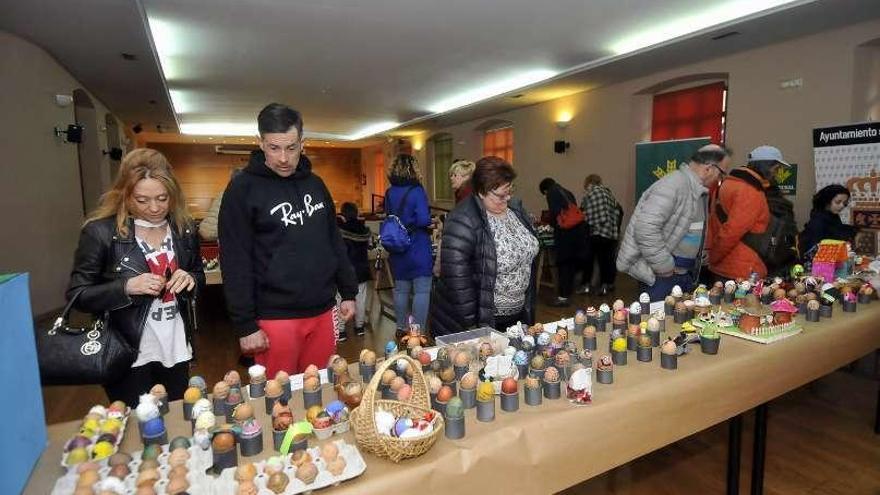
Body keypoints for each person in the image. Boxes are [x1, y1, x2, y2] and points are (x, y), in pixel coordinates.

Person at [218, 103, 357, 377]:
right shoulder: (242, 189)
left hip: (323, 310)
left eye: (291, 148)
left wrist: (349, 291)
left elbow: (334, 241)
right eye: (273, 148)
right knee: (279, 402)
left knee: (322, 394)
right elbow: (235, 261)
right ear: (260, 143)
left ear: (302, 143)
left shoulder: (316, 185)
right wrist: (245, 324)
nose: (283, 158)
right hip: (275, 317)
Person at [67, 148, 205, 407]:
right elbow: (77, 295)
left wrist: (191, 279)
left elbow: (197, 273)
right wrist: (126, 287)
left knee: (177, 419)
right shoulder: (101, 232)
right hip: (125, 351)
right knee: (136, 425)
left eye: (162, 198)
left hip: (175, 347)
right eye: (142, 201)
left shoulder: (183, 228)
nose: (154, 208)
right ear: (125, 195)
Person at [431, 156, 540, 335]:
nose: (508, 197)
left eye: (510, 189)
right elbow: (458, 282)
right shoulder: (463, 219)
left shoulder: (515, 209)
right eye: (501, 194)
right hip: (485, 321)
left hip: (517, 315)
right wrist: (476, 331)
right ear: (482, 192)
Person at [617, 145, 731, 302]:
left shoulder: (697, 189)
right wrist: (664, 266)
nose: (720, 180)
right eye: (721, 174)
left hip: (681, 275)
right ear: (709, 169)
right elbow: (645, 229)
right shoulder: (673, 185)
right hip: (662, 278)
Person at [708, 145, 795, 281]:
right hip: (742, 270)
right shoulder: (750, 191)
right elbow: (732, 231)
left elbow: (714, 225)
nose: (776, 173)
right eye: (776, 168)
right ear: (765, 166)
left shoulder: (726, 184)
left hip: (724, 267)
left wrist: (713, 257)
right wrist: (713, 257)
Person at [384, 154, 433, 333]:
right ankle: (417, 331)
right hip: (417, 245)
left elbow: (389, 216)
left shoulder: (389, 192)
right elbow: (423, 219)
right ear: (414, 169)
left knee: (401, 289)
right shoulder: (417, 191)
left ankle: (401, 327)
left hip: (397, 245)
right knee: (421, 290)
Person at [539, 177, 587, 307]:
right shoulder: (566, 191)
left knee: (563, 265)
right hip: (577, 232)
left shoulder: (552, 192)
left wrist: (551, 225)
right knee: (570, 265)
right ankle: (567, 293)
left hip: (566, 234)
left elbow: (555, 214)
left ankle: (563, 297)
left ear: (545, 190)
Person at [578, 174, 622, 296]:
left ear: (588, 182)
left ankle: (586, 285)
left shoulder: (590, 194)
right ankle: (606, 285)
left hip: (596, 233)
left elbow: (588, 216)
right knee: (607, 261)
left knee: (588, 261)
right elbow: (617, 211)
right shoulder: (608, 193)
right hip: (610, 234)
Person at [337, 202, 372, 340]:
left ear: (343, 214)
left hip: (344, 271)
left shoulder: (339, 230)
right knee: (360, 300)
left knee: (341, 299)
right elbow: (369, 247)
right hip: (362, 270)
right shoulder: (364, 230)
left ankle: (341, 331)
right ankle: (359, 327)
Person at [799, 184, 856, 260]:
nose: (842, 206)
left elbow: (837, 231)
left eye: (844, 203)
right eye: (838, 202)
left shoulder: (833, 216)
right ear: (827, 201)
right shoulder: (817, 221)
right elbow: (813, 252)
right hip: (817, 265)